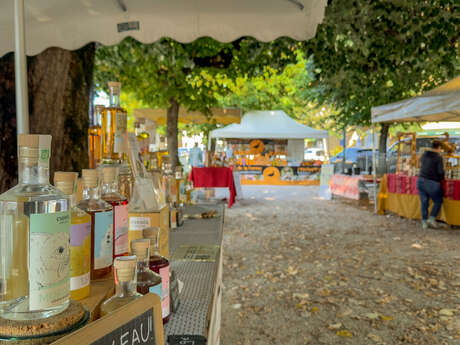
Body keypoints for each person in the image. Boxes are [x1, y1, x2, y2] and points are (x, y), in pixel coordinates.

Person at [416, 140, 445, 229]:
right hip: (432, 182)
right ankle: (432, 219)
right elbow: (440, 172)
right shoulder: (438, 157)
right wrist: (441, 179)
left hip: (421, 180)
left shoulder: (424, 154)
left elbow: (420, 165)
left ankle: (424, 221)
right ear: (439, 147)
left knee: (424, 202)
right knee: (438, 201)